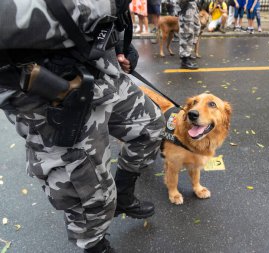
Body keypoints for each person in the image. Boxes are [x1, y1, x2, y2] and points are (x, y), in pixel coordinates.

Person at [0, 0, 165, 252]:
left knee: (150, 127)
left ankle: (123, 195)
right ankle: (95, 245)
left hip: (100, 71)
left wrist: (121, 44)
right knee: (89, 192)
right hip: (49, 94)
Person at [177, 0, 201, 69]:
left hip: (193, 6)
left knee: (196, 28)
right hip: (185, 7)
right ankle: (184, 60)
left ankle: (188, 52)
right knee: (186, 33)